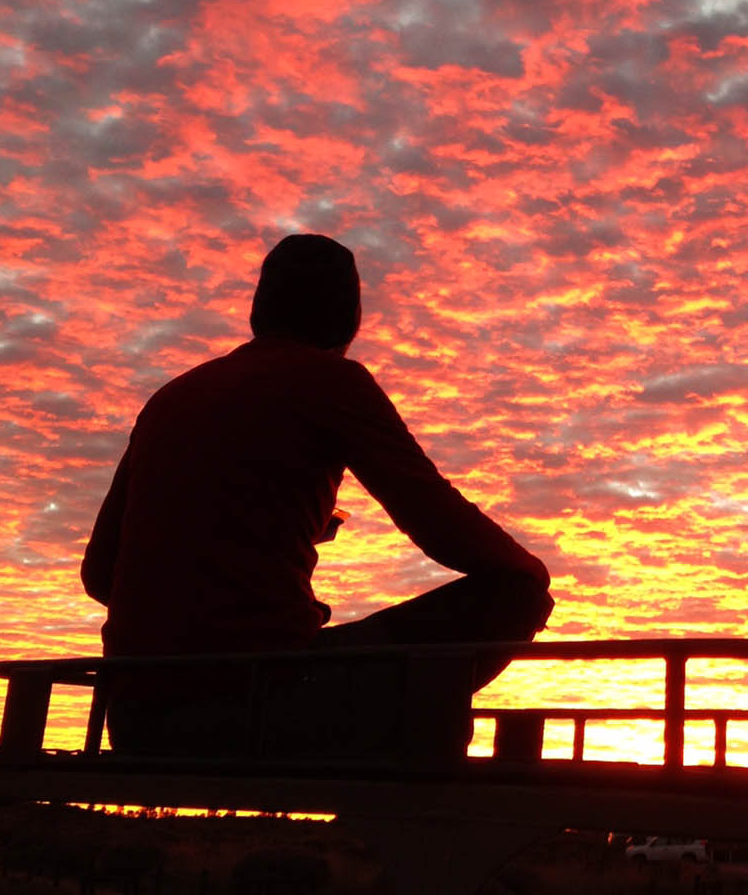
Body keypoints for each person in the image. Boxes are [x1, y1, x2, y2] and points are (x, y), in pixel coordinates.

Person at [81, 234, 553, 758]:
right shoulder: (333, 381)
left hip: (136, 721)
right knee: (515, 595)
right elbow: (437, 520)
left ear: (259, 310)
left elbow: (101, 574)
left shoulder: (171, 397)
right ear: (349, 319)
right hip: (261, 705)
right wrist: (532, 571)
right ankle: (409, 806)